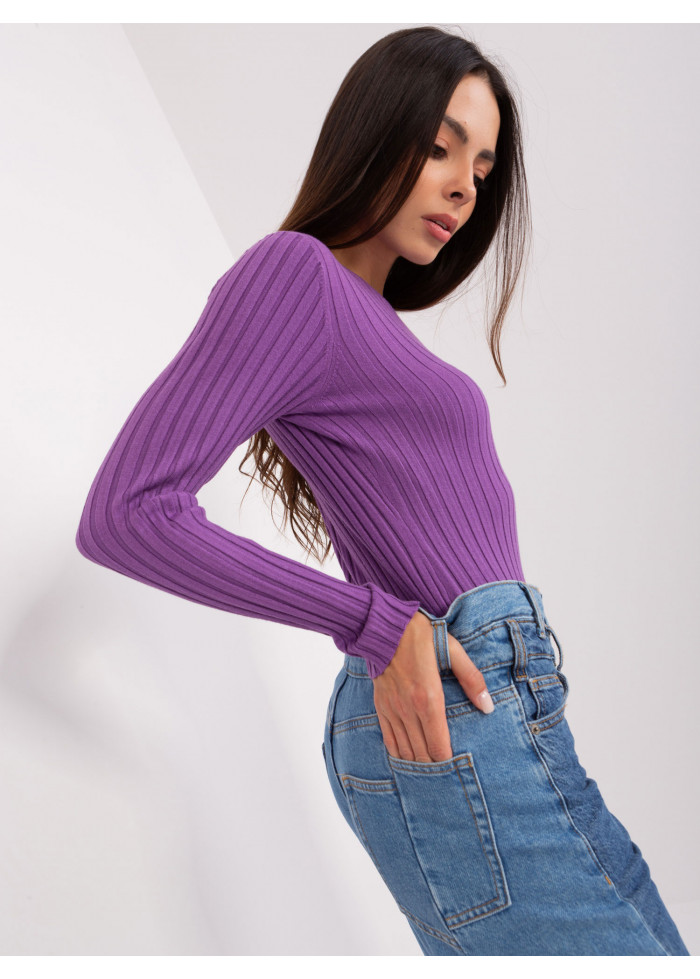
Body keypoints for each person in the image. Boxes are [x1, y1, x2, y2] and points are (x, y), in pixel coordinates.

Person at [75, 26, 690, 956]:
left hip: (510, 706)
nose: (464, 186)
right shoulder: (294, 274)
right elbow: (126, 513)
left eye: (481, 168)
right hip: (455, 712)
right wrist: (375, 622)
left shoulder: (363, 315)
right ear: (374, 128)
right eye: (442, 146)